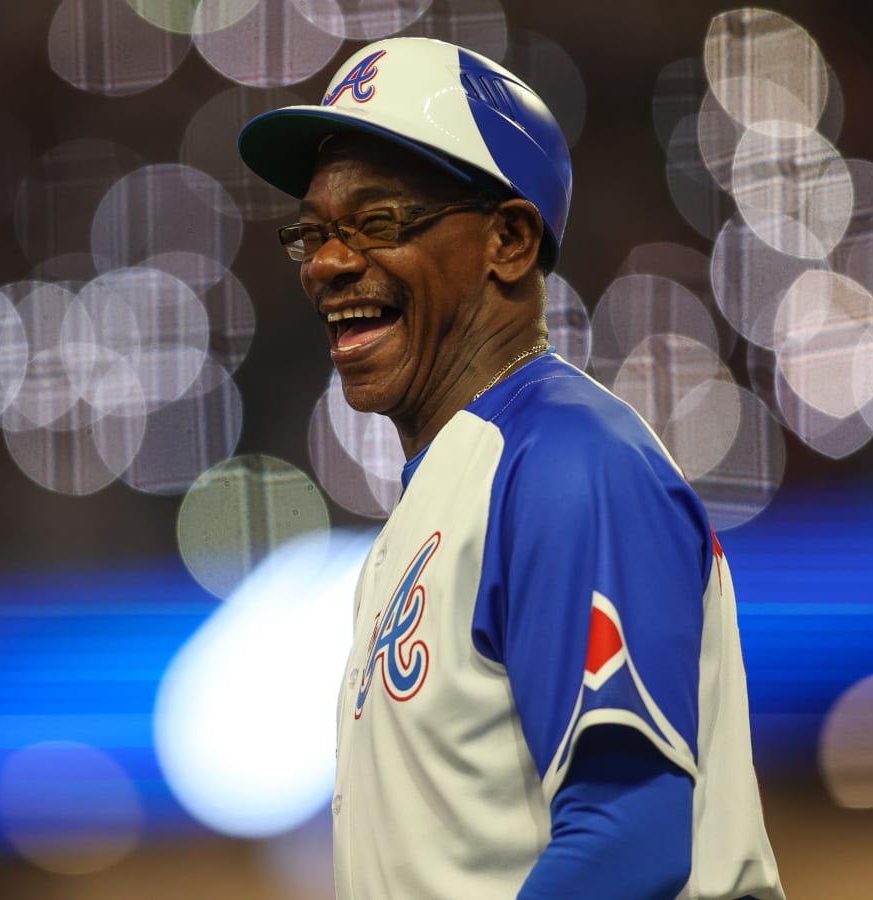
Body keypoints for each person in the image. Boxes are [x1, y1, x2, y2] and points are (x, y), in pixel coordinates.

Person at [238, 36, 784, 900]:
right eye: (314, 232)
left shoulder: (568, 459)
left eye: (378, 222)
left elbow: (630, 833)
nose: (330, 263)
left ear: (510, 240)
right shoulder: (442, 497)